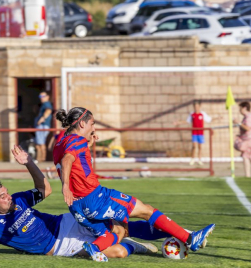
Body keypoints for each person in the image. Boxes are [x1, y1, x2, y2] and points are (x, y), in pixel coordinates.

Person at [0, 146, 172, 260]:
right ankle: (133, 246)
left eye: (6, 192)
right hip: (59, 246)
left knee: (117, 219)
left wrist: (28, 163)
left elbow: (46, 189)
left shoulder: (19, 200)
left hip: (64, 223)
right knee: (118, 252)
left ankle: (169, 233)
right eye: (2, 196)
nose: (8, 196)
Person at [53, 107, 215, 262]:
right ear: (82, 123)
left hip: (77, 205)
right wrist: (65, 186)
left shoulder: (60, 144)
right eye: (92, 123)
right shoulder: (77, 140)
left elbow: (74, 161)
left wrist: (88, 146)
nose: (93, 127)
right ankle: (191, 239)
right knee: (146, 210)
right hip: (96, 198)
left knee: (119, 230)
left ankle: (94, 248)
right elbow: (68, 159)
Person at [174, 100, 212, 166]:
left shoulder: (202, 114)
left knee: (200, 147)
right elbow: (187, 121)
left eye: (197, 106)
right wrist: (179, 122)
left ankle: (199, 159)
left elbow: (209, 119)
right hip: (194, 133)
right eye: (195, 106)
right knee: (194, 146)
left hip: (200, 133)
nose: (196, 108)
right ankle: (192, 159)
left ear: (200, 106)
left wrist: (218, 118)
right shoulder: (192, 114)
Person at [233, 102, 251, 178]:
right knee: (249, 156)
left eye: (240, 108)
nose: (239, 110)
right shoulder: (246, 117)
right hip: (247, 139)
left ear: (244, 108)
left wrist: (238, 123)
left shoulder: (249, 117)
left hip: (250, 140)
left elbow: (248, 128)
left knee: (247, 156)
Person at [34, 91, 53, 162]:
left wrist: (42, 119)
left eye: (43, 96)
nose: (41, 98)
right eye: (40, 97)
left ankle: (41, 159)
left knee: (41, 143)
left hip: (42, 126)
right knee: (38, 143)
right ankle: (39, 158)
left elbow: (48, 111)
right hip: (41, 126)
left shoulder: (46, 104)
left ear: (47, 97)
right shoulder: (44, 104)